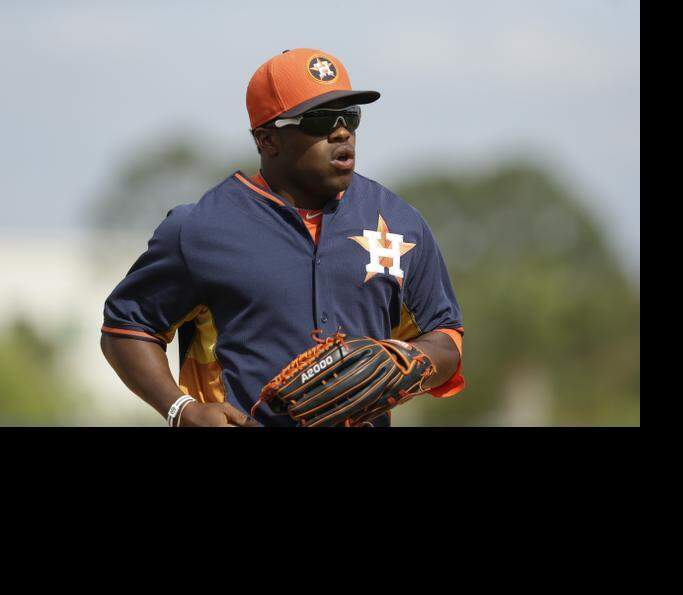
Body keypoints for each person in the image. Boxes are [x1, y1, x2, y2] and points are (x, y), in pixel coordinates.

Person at [100, 48, 465, 427]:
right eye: (320, 118)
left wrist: (407, 361)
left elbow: (445, 335)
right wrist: (181, 409)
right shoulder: (200, 229)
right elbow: (125, 329)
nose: (341, 131)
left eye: (350, 116)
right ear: (267, 140)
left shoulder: (399, 222)